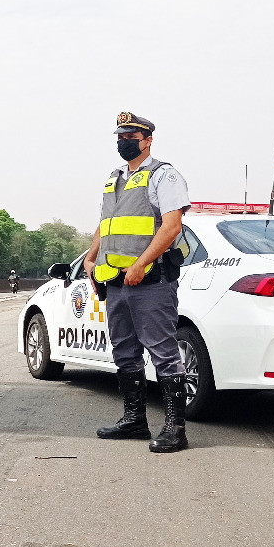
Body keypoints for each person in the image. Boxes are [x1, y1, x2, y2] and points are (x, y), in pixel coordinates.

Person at [85, 112, 191, 452]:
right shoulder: (114, 177)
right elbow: (108, 223)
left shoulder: (164, 176)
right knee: (124, 352)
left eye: (131, 136)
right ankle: (134, 421)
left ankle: (175, 429)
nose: (124, 141)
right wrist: (90, 256)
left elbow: (171, 226)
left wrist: (142, 263)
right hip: (115, 281)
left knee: (163, 352)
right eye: (121, 136)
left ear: (147, 140)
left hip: (151, 281)